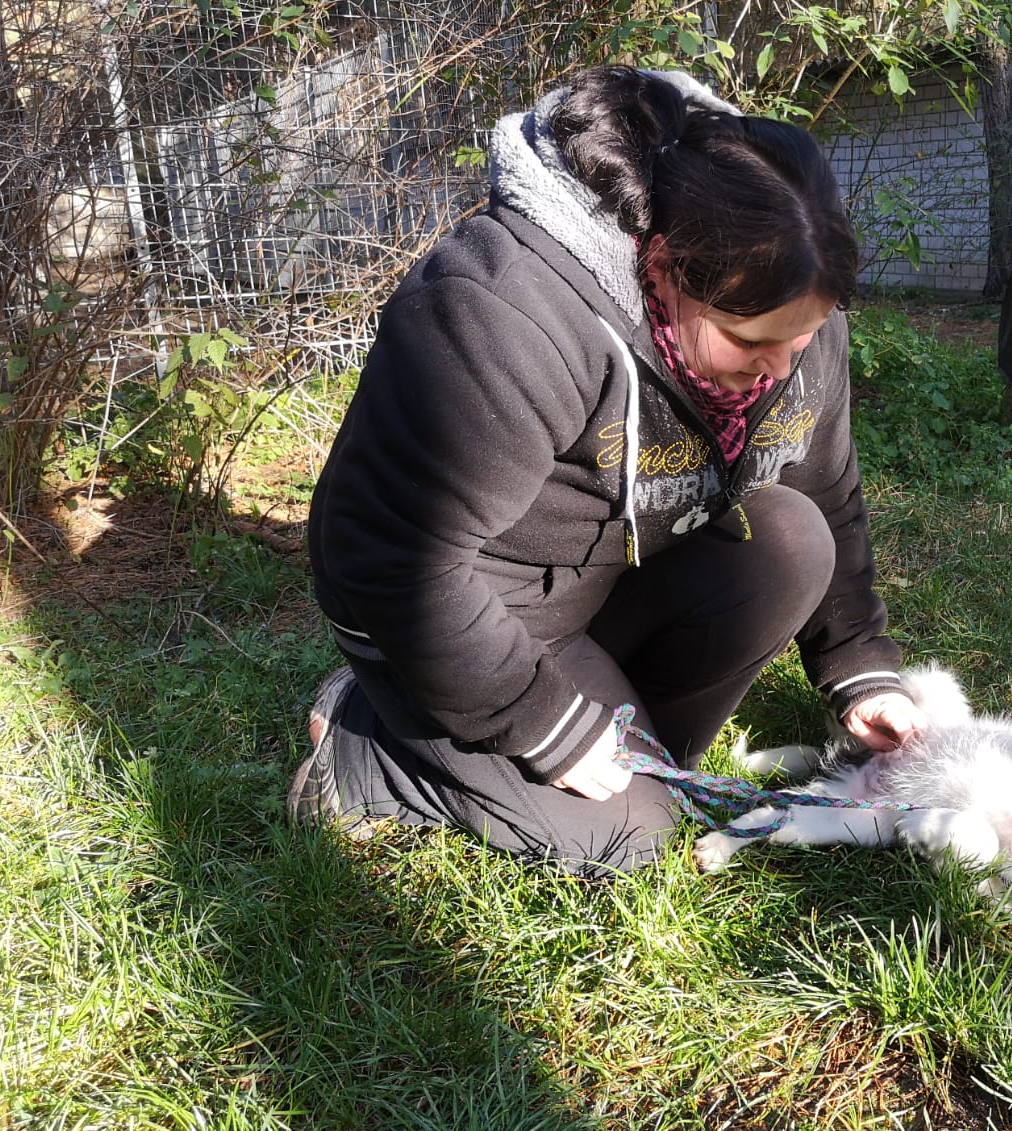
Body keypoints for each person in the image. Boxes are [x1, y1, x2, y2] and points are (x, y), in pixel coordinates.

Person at [287, 64, 926, 873]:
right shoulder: (503, 311)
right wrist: (539, 719)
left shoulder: (792, 310)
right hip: (454, 605)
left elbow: (824, 491)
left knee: (791, 538)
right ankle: (367, 746)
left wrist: (861, 667)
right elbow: (391, 559)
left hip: (599, 580)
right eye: (749, 341)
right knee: (633, 836)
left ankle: (617, 751)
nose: (777, 369)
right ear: (660, 266)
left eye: (798, 341)